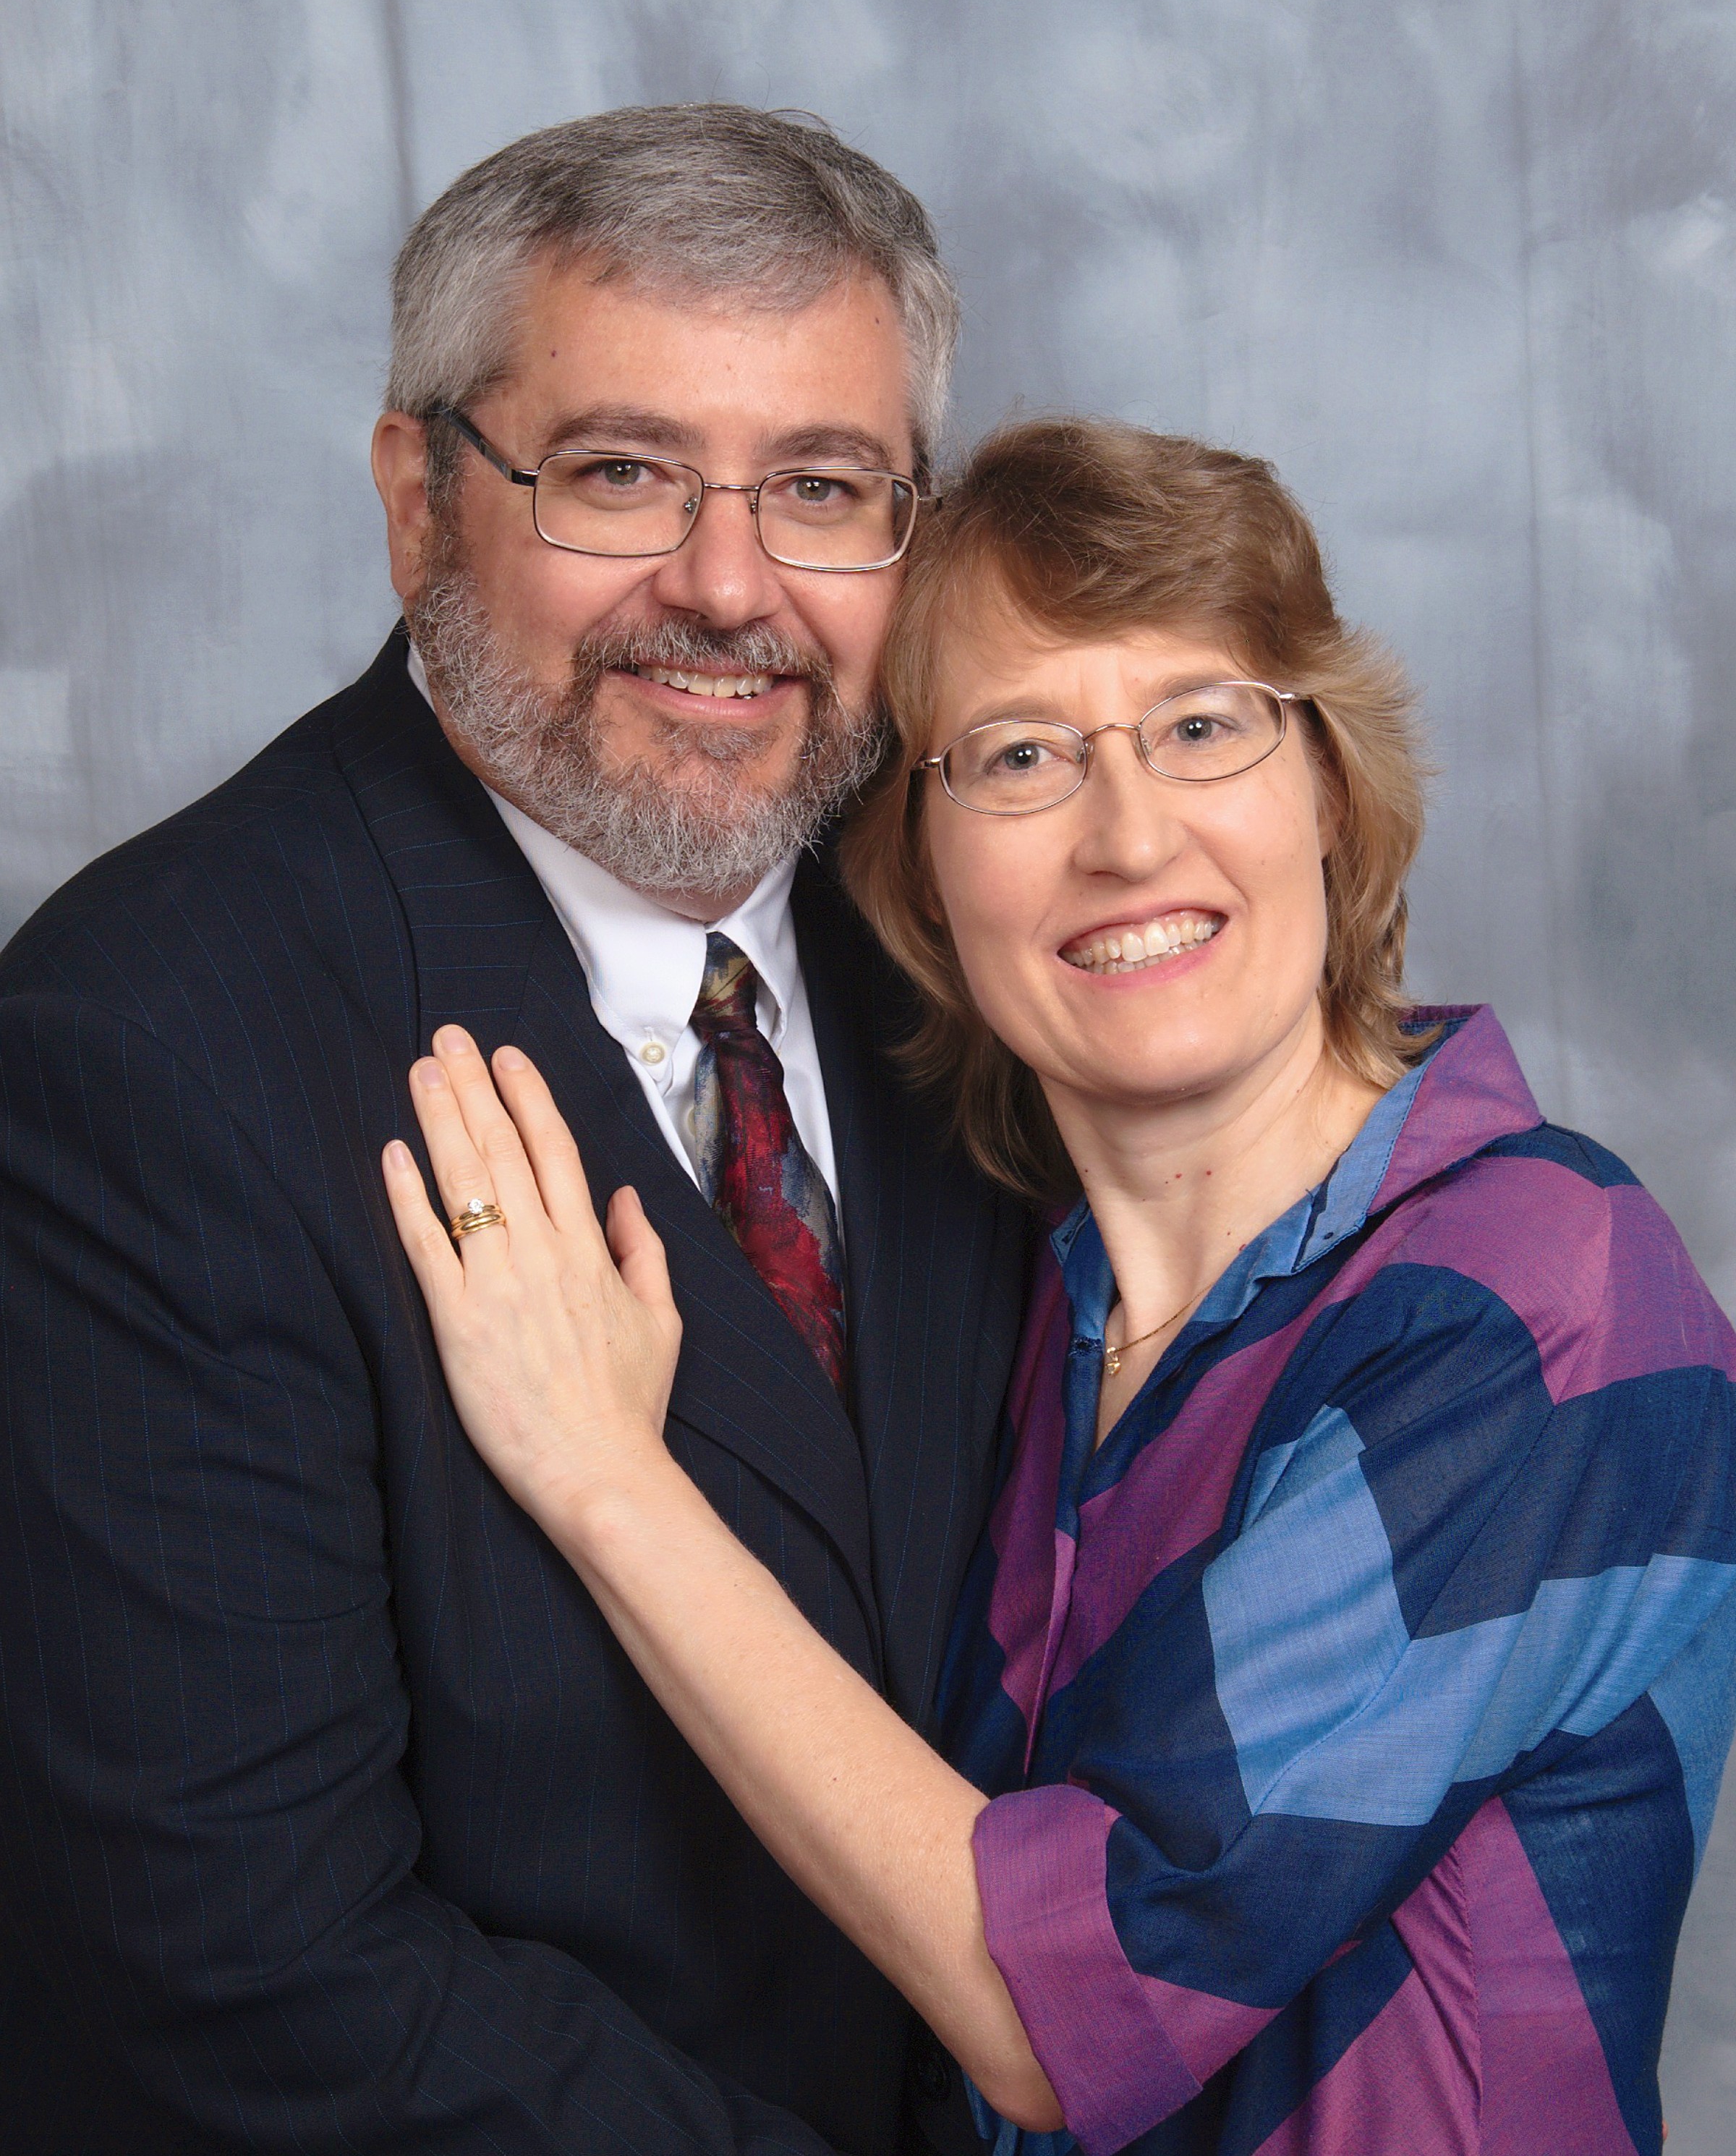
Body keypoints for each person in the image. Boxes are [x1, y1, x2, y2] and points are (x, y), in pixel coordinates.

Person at [384, 420, 1736, 2156]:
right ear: (921, 878)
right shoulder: (1035, 1308)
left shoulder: (1542, 1293)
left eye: (1203, 726)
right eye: (1021, 756)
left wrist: (602, 1478)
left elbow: (1071, 2002)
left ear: (1327, 788)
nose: (1129, 838)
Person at [0, 108, 1031, 2155]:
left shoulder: (978, 938)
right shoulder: (144, 1055)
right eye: (622, 473)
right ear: (418, 502)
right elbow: (252, 1971)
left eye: (823, 489)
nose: (728, 588)